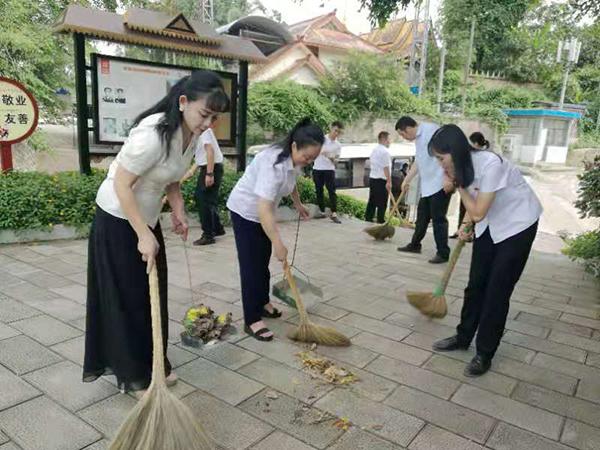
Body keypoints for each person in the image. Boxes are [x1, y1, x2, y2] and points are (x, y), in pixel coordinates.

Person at [84, 71, 230, 395]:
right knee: (130, 299)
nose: (208, 123)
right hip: (119, 217)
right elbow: (122, 184)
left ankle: (155, 363)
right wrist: (142, 234)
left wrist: (177, 208)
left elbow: (172, 177)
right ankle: (133, 375)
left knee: (154, 295)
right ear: (183, 102)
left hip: (146, 218)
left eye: (214, 118)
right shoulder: (152, 134)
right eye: (204, 114)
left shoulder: (193, 135)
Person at [429, 124, 542, 377]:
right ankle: (463, 336)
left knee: (496, 291)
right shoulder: (463, 166)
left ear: (455, 151)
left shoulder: (491, 164)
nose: (440, 165)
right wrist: (466, 224)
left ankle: (484, 353)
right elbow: (477, 205)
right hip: (490, 224)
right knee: (476, 284)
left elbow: (478, 209)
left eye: (441, 158)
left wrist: (458, 186)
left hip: (517, 225)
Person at [227, 118, 323, 341]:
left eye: (312, 159)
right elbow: (263, 209)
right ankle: (252, 320)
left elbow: (292, 181)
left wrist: (297, 204)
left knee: (262, 260)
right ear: (294, 146)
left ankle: (262, 303)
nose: (308, 162)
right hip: (246, 212)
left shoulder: (293, 160)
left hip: (263, 214)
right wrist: (279, 242)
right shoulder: (272, 163)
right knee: (252, 266)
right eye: (307, 157)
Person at [396, 116, 452, 264]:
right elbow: (419, 161)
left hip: (440, 183)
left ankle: (443, 252)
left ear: (408, 129)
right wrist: (406, 180)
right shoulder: (418, 140)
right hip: (427, 186)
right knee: (422, 218)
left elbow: (449, 154)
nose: (404, 137)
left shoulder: (431, 130)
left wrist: (448, 178)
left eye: (402, 134)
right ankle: (415, 245)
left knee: (438, 219)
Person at [178, 126, 226, 246]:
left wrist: (209, 173)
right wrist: (191, 171)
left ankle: (208, 235)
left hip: (211, 168)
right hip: (211, 167)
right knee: (208, 201)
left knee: (202, 199)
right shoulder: (197, 132)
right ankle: (217, 228)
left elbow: (210, 150)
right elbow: (203, 155)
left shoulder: (203, 129)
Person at [451, 132, 490, 239]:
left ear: (476, 144)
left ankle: (470, 232)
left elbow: (477, 202)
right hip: (471, 191)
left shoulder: (483, 160)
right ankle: (462, 230)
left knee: (475, 212)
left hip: (483, 197)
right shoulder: (469, 158)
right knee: (464, 208)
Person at [313, 121, 343, 224]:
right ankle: (322, 212)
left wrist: (331, 158)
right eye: (335, 131)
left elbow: (337, 161)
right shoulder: (321, 139)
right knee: (319, 190)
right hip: (317, 168)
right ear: (331, 128)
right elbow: (313, 152)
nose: (336, 134)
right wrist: (321, 152)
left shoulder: (338, 145)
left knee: (332, 191)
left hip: (329, 170)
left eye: (339, 132)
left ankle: (334, 213)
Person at [365, 131, 392, 223]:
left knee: (372, 201)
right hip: (381, 180)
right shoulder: (385, 152)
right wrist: (389, 181)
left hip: (373, 179)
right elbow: (386, 168)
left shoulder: (374, 150)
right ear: (383, 139)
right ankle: (380, 220)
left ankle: (368, 219)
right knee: (382, 202)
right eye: (389, 139)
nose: (390, 142)